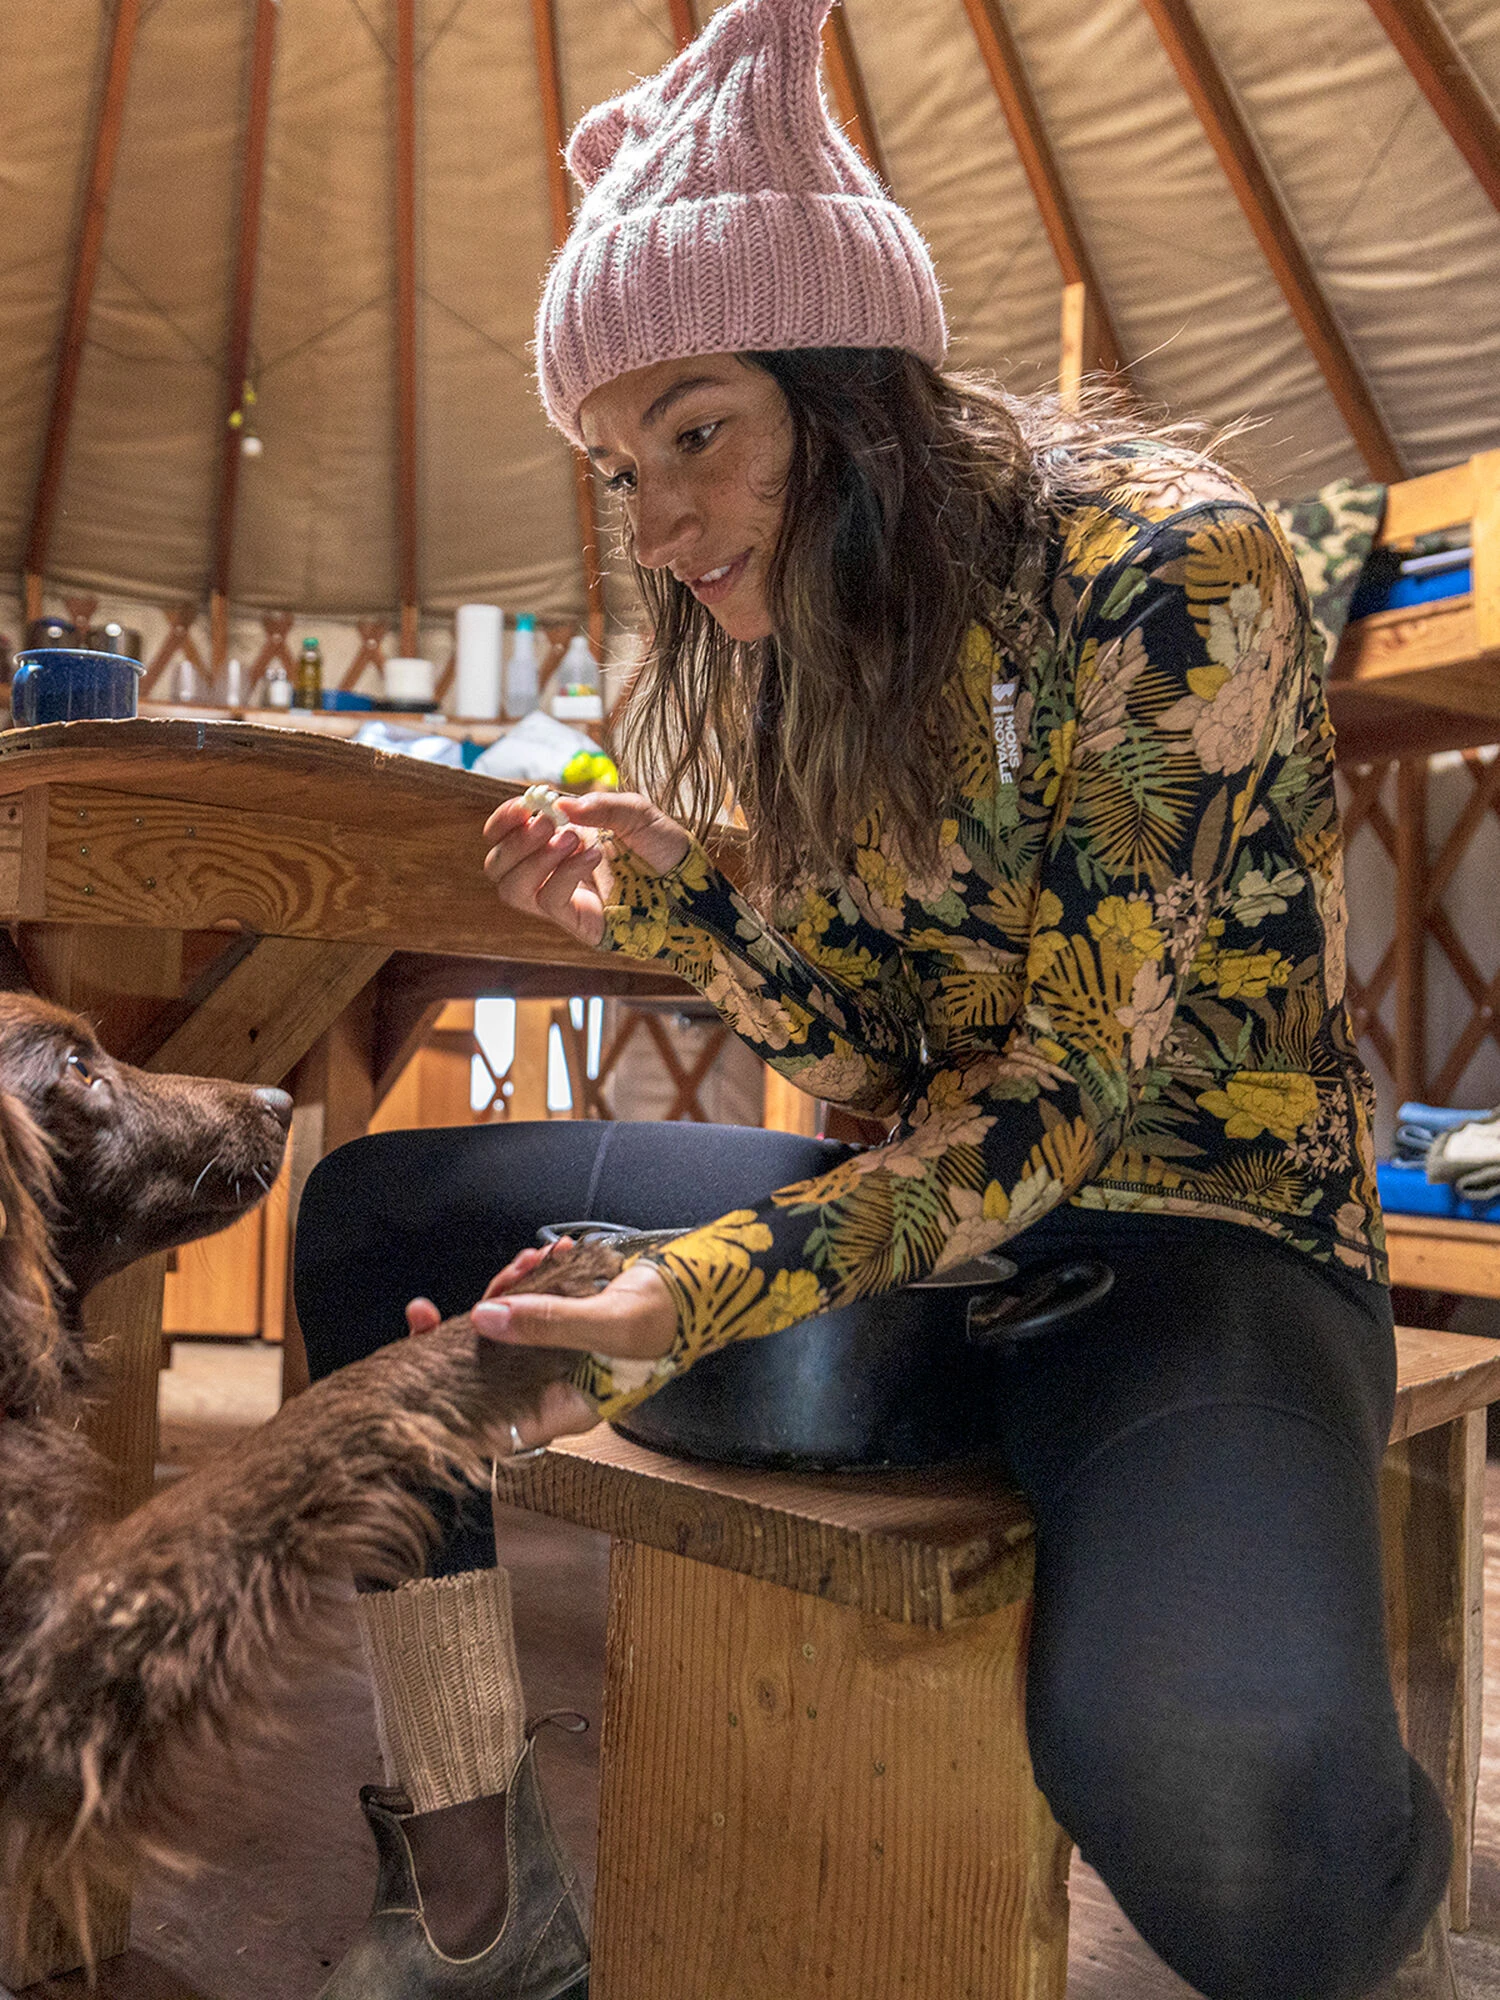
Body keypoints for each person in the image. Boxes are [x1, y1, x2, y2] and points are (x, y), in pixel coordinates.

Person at [296, 2, 1452, 1995]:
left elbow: (1059, 1100)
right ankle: (479, 1895)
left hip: (1190, 1237)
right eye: (618, 468)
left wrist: (691, 1291)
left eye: (697, 430)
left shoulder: (1169, 570)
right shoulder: (813, 636)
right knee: (372, 1221)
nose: (660, 525)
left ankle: (1383, 1855)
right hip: (921, 1233)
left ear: (855, 387)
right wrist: (685, 911)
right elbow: (867, 1056)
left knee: (1234, 1807)